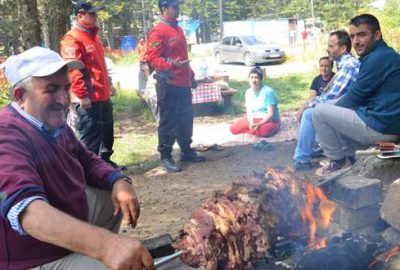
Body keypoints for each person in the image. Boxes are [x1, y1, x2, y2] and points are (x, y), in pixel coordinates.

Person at [0, 47, 154, 270]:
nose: (63, 100)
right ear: (20, 96)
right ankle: (91, 256)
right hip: (31, 257)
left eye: (66, 88)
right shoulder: (6, 134)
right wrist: (105, 246)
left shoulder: (53, 124)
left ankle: (85, 251)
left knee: (110, 195)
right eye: (51, 90)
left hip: (58, 230)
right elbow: (30, 214)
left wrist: (117, 180)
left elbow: (87, 159)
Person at [313, 14, 400, 175]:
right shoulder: (381, 54)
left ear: (377, 35)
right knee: (330, 109)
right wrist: (332, 109)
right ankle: (351, 159)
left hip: (382, 128)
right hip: (382, 119)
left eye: (362, 34)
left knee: (318, 112)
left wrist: (328, 112)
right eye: (352, 36)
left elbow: (353, 98)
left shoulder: (378, 59)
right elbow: (354, 95)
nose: (356, 41)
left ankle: (338, 161)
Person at [60, 0, 125, 171]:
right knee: (91, 136)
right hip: (88, 97)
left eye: (95, 13)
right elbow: (73, 69)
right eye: (91, 14)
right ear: (80, 16)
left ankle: (105, 163)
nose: (95, 16)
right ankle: (88, 171)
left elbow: (100, 65)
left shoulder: (93, 35)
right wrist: (82, 95)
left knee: (106, 133)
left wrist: (109, 84)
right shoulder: (72, 38)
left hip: (102, 94)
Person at [147, 0, 205, 173]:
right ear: (164, 9)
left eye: (178, 6)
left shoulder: (178, 29)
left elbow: (182, 57)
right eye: (174, 7)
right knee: (168, 121)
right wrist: (172, 64)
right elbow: (154, 59)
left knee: (186, 118)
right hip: (169, 83)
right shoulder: (158, 31)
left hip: (183, 83)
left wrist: (191, 75)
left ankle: (186, 151)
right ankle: (165, 156)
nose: (178, 9)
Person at [293, 30, 360, 171]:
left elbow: (331, 96)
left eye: (331, 46)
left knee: (309, 114)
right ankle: (311, 154)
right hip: (347, 107)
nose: (327, 49)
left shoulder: (349, 65)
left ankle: (304, 159)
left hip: (355, 112)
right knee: (312, 112)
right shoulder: (344, 65)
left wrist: (304, 106)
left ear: (343, 49)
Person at [230, 66, 280, 137]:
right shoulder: (248, 92)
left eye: (256, 78)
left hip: (269, 119)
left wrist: (258, 124)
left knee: (264, 131)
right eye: (251, 77)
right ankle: (253, 130)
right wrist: (251, 122)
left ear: (260, 79)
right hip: (254, 118)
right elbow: (249, 111)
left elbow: (270, 114)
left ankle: (254, 130)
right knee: (233, 128)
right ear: (248, 79)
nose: (253, 80)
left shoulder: (268, 92)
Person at [296, 56, 335, 123]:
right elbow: (312, 97)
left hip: (331, 107)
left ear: (331, 67)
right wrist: (303, 107)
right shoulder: (316, 80)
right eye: (321, 66)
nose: (324, 68)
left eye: (327, 66)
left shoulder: (335, 78)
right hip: (317, 105)